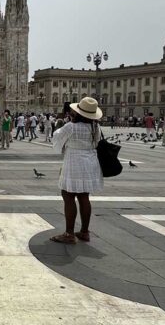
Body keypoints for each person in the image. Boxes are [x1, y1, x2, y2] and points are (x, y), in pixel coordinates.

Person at [51, 97, 103, 244]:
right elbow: (97, 142)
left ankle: (69, 234)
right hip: (90, 163)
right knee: (84, 196)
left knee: (68, 195)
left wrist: (61, 123)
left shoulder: (71, 126)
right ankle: (85, 232)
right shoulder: (95, 126)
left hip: (74, 162)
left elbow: (56, 137)